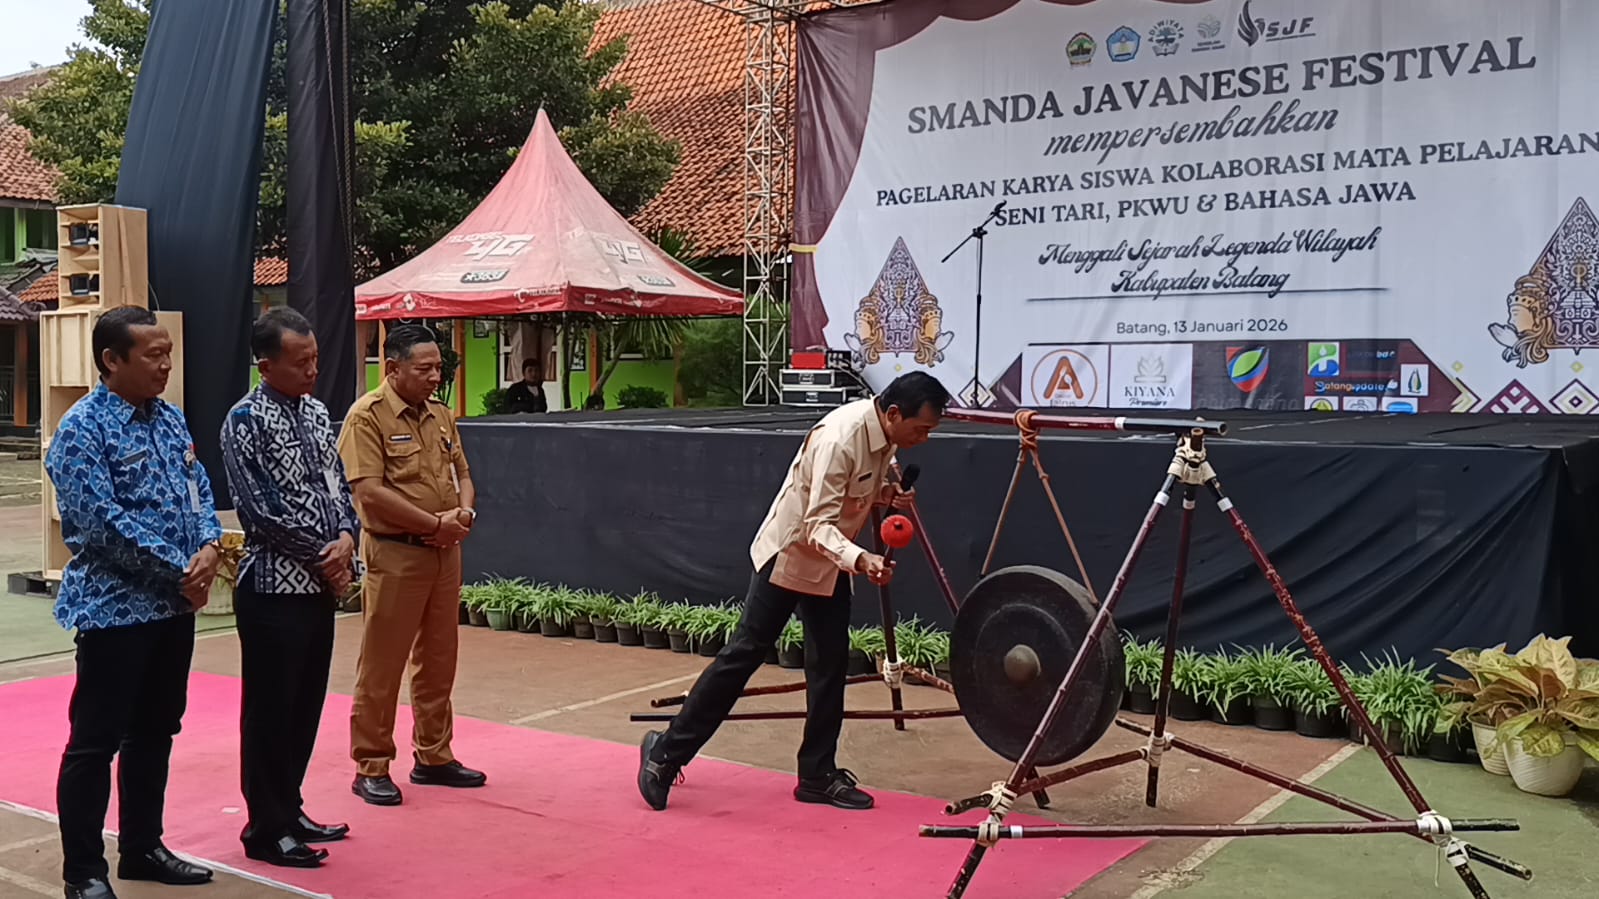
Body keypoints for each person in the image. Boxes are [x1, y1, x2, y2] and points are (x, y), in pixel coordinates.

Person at [636, 371, 949, 812]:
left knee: (829, 666)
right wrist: (862, 559)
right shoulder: (841, 438)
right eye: (921, 429)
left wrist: (886, 496)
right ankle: (664, 754)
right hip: (791, 554)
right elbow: (816, 524)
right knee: (743, 656)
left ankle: (817, 775)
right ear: (894, 413)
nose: (924, 439)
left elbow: (849, 493)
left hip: (830, 561)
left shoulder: (886, 435)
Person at [45, 306, 223, 899]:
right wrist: (183, 569)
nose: (166, 364)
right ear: (111, 360)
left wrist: (208, 547)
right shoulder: (81, 430)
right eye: (153, 355)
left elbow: (199, 488)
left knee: (155, 732)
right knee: (95, 742)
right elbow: (99, 524)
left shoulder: (170, 419)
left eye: (168, 352)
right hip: (114, 611)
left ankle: (143, 847)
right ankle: (84, 873)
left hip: (173, 609)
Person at [219, 308, 360, 868]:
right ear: (266, 365)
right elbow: (257, 513)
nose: (311, 371)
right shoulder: (244, 421)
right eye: (300, 362)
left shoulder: (319, 414)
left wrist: (347, 536)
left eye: (315, 360)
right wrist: (322, 556)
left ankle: (290, 806)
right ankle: (264, 826)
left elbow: (338, 487)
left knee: (305, 705)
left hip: (319, 589)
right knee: (270, 711)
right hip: (274, 590)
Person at [337, 323, 485, 806]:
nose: (435, 377)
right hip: (396, 552)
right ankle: (372, 764)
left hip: (444, 551)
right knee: (383, 663)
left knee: (439, 659)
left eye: (439, 368)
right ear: (393, 367)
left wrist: (463, 512)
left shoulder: (440, 415)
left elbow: (460, 470)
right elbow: (370, 492)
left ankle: (434, 755)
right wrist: (432, 522)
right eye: (424, 369)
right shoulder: (367, 418)